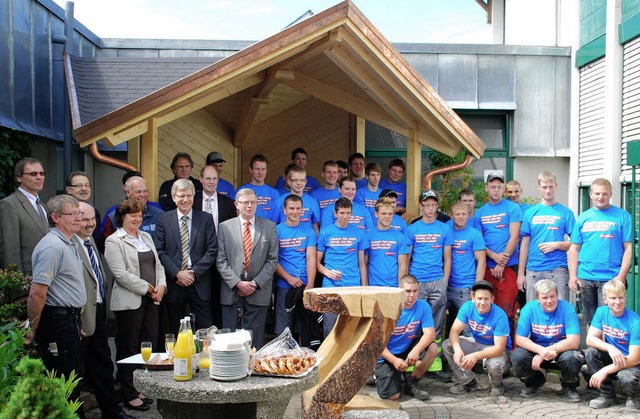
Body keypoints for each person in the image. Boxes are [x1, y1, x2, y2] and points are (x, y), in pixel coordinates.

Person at [25, 195, 86, 412]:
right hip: (56, 321)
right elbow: (37, 293)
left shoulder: (69, 242)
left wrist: (76, 322)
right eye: (73, 214)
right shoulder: (52, 247)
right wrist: (33, 328)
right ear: (55, 217)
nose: (80, 218)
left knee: (72, 377)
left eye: (80, 212)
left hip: (69, 320)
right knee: (61, 381)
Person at [104, 199, 166, 412]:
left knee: (146, 344)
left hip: (152, 300)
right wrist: (148, 288)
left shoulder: (146, 236)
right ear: (122, 218)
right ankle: (128, 392)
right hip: (130, 302)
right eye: (133, 216)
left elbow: (158, 265)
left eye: (139, 216)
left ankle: (138, 386)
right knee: (128, 347)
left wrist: (161, 286)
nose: (137, 220)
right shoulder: (114, 241)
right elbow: (120, 274)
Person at [76, 202, 135, 419]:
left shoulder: (90, 240)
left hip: (99, 311)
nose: (90, 223)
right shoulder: (69, 244)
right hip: (80, 316)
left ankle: (112, 412)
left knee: (102, 365)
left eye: (92, 219)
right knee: (76, 370)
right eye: (84, 219)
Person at [217, 188, 278, 349]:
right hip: (231, 291)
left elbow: (272, 260)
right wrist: (237, 283)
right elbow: (221, 260)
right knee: (229, 339)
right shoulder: (224, 227)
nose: (249, 206)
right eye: (245, 202)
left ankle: (254, 370)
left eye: (253, 202)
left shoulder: (269, 227)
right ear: (237, 204)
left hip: (258, 291)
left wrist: (255, 283)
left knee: (255, 340)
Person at [154, 179, 217, 333]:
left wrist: (193, 273)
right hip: (174, 283)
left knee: (205, 330)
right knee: (176, 330)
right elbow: (159, 251)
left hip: (199, 281)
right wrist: (177, 273)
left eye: (189, 196)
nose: (185, 200)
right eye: (181, 196)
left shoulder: (205, 219)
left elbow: (212, 250)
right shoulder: (163, 219)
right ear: (174, 197)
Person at [568, 178, 632, 325]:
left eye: (604, 193)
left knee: (611, 318)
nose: (600, 197)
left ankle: (610, 347)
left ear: (611, 194)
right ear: (591, 194)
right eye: (597, 193)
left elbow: (628, 248)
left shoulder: (622, 216)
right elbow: (574, 248)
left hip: (611, 277)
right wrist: (573, 275)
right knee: (590, 320)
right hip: (586, 277)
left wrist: (621, 276)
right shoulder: (583, 218)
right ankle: (593, 348)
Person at [512, 280, 583, 402]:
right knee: (517, 356)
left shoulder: (567, 308)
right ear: (537, 299)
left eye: (552, 296)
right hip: (538, 349)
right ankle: (534, 382)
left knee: (573, 357)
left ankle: (569, 386)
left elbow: (574, 341)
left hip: (562, 350)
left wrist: (546, 352)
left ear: (557, 295)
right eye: (545, 298)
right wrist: (540, 351)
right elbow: (519, 339)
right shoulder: (529, 309)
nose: (549, 301)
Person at [405, 189, 452, 369]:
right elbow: (407, 258)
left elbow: (447, 257)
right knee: (415, 321)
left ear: (437, 206)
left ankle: (435, 361)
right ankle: (413, 359)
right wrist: (409, 283)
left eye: (433, 205)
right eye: (427, 205)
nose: (430, 208)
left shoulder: (444, 228)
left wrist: (444, 281)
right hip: (418, 281)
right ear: (421, 206)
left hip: (437, 280)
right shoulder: (412, 228)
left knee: (437, 321)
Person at [442, 280, 512, 396]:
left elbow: (499, 348)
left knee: (495, 365)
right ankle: (468, 382)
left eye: (486, 299)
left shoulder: (500, 315)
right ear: (472, 297)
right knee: (447, 345)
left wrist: (475, 356)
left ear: (492, 299)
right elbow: (454, 331)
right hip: (475, 342)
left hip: (494, 347)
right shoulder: (467, 307)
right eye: (479, 298)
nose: (482, 302)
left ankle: (497, 385)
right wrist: (458, 349)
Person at [375, 274, 437, 401]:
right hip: (387, 355)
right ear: (400, 291)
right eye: (408, 291)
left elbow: (430, 333)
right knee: (392, 396)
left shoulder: (423, 306)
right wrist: (394, 360)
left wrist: (416, 350)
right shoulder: (388, 308)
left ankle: (412, 381)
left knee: (433, 347)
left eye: (415, 291)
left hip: (408, 348)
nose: (412, 295)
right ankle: (381, 375)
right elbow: (377, 344)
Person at [473, 171, 522, 332]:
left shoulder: (513, 208)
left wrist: (501, 263)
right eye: (492, 187)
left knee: (508, 309)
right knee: (486, 308)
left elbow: (514, 237)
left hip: (509, 267)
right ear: (486, 188)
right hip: (487, 268)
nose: (496, 190)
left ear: (503, 189)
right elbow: (479, 242)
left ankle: (509, 350)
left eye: (499, 187)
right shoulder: (479, 213)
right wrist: (494, 257)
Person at [518, 171, 575, 302]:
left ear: (556, 186)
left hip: (558, 269)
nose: (548, 190)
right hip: (533, 270)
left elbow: (576, 244)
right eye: (544, 187)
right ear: (539, 187)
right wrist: (521, 274)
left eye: (550, 186)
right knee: (534, 310)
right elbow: (524, 244)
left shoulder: (566, 213)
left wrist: (557, 245)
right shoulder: (530, 213)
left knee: (560, 309)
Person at [316, 197, 369, 336]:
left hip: (352, 284)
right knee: (330, 326)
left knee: (352, 325)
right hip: (331, 285)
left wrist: (364, 287)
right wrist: (327, 272)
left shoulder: (359, 232)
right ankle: (329, 357)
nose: (345, 217)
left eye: (348, 213)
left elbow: (362, 264)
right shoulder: (325, 232)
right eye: (342, 213)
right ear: (335, 214)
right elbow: (315, 262)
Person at [584, 279, 640, 409]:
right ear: (605, 299)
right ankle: (606, 395)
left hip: (633, 363)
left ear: (625, 297)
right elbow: (590, 339)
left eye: (621, 298)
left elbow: (634, 358)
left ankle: (635, 396)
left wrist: (604, 370)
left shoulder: (635, 322)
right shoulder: (601, 312)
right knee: (591, 352)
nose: (617, 302)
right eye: (613, 298)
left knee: (626, 376)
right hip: (615, 357)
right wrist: (610, 347)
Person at [194, 164, 237, 327]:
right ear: (201, 179)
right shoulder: (193, 201)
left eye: (214, 178)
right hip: (199, 258)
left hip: (222, 257)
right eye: (208, 178)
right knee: (202, 300)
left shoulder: (228, 203)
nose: (211, 182)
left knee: (220, 298)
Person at [274, 195, 317, 341]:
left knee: (303, 329)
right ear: (284, 210)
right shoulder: (276, 230)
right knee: (284, 330)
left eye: (298, 208)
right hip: (284, 285)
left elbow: (311, 258)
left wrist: (310, 284)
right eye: (291, 208)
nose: (295, 211)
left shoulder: (309, 231)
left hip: (304, 286)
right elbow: (272, 260)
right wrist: (288, 278)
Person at [0, 157, 49, 274]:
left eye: (42, 173)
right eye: (33, 174)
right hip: (27, 281)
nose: (39, 177)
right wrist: (19, 287)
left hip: (47, 277)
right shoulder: (9, 204)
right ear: (19, 177)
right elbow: (10, 250)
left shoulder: (43, 206)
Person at [447, 202, 486, 316]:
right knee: (441, 321)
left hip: (466, 286)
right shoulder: (446, 232)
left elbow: (482, 261)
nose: (461, 217)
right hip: (447, 285)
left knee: (468, 324)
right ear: (451, 216)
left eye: (464, 214)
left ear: (468, 215)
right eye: (457, 214)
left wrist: (476, 288)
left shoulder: (475, 234)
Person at [102, 176, 164, 242]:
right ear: (127, 193)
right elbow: (106, 245)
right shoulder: (114, 217)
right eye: (138, 192)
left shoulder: (160, 215)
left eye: (145, 191)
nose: (143, 195)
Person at [366, 197, 409, 287]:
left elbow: (403, 265)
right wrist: (366, 286)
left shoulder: (400, 237)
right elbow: (364, 264)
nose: (387, 217)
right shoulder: (368, 236)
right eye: (383, 213)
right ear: (376, 214)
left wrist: (400, 289)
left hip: (393, 286)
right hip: (373, 286)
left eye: (390, 214)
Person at [273, 166, 321, 233]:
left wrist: (316, 242)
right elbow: (273, 224)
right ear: (289, 182)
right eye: (295, 180)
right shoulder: (280, 201)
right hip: (285, 240)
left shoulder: (312, 202)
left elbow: (315, 225)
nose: (299, 183)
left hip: (307, 241)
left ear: (305, 182)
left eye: (302, 180)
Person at [236, 154, 280, 223]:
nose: (260, 172)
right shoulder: (241, 191)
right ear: (251, 169)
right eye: (257, 169)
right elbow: (238, 214)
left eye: (263, 169)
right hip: (248, 230)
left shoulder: (274, 193)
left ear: (266, 170)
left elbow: (278, 216)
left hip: (269, 230)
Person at [66, 171, 102, 245]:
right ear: (69, 190)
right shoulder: (65, 213)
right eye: (79, 186)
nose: (84, 189)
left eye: (87, 185)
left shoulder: (95, 212)